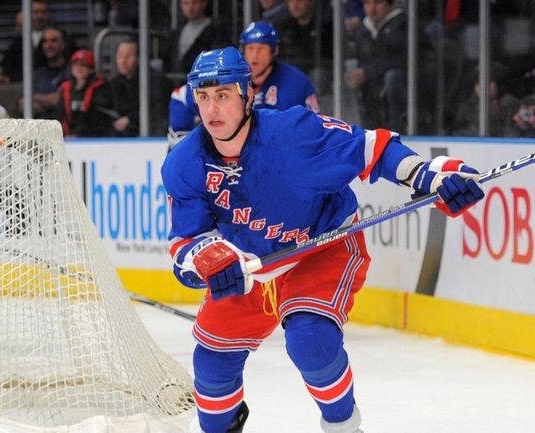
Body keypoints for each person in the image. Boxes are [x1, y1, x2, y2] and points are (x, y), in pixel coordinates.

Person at [162, 46, 484, 433]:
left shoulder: (294, 133)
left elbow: (373, 149)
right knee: (211, 366)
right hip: (253, 268)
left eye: (223, 95)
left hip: (321, 248)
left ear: (247, 95)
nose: (211, 109)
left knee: (310, 339)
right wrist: (208, 257)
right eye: (203, 97)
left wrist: (430, 174)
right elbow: (186, 239)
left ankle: (345, 427)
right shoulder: (184, 163)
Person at [346, 0, 407, 133]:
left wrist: (367, 72)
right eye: (367, 3)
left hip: (401, 81)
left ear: (391, 4)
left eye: (378, 3)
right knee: (348, 72)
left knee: (392, 77)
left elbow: (403, 60)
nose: (372, 9)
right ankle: (355, 128)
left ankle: (398, 128)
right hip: (373, 81)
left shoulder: (403, 24)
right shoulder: (364, 27)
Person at [239, 22, 319, 112]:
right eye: (250, 48)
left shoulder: (296, 82)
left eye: (261, 48)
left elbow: (314, 122)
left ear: (274, 51)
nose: (254, 55)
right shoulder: (234, 82)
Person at [109, 40, 172, 136]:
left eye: (128, 56)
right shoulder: (114, 83)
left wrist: (130, 119)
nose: (123, 61)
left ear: (140, 58)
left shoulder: (156, 81)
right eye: (120, 56)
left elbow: (159, 112)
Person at [164, 0, 231, 75]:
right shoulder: (177, 31)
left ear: (203, 3)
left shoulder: (216, 29)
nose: (190, 8)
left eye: (194, 3)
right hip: (176, 82)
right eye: (186, 3)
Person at [58, 49, 115, 137]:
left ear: (91, 69)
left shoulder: (100, 88)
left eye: (83, 65)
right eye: (76, 64)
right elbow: (61, 114)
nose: (79, 68)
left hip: (93, 137)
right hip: (68, 137)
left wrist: (80, 134)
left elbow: (99, 116)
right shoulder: (66, 88)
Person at [0, 0, 50, 84]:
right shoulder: (17, 43)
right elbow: (8, 67)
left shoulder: (62, 38)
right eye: (35, 12)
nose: (40, 16)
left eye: (43, 12)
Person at [26, 27, 72, 120]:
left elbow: (59, 101)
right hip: (38, 129)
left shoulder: (72, 72)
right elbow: (22, 104)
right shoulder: (36, 75)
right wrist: (48, 101)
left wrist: (35, 98)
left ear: (63, 44)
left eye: (54, 41)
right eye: (45, 41)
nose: (49, 45)